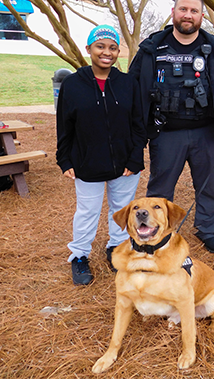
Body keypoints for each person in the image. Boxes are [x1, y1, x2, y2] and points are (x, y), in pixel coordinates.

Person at [128, 0, 214, 253]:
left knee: (209, 184)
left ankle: (208, 228)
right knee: (160, 189)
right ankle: (155, 234)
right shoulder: (151, 48)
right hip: (166, 132)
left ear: (202, 16)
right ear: (173, 12)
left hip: (207, 132)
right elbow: (132, 88)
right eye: (183, 9)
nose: (188, 15)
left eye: (194, 11)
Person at [56, 24, 147, 285]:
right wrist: (65, 159)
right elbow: (65, 126)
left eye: (112, 47)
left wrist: (134, 157)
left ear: (118, 51)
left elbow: (139, 124)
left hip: (125, 165)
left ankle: (117, 249)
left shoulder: (128, 83)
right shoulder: (73, 85)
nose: (106, 52)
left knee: (121, 211)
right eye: (100, 46)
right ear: (89, 49)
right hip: (87, 163)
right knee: (87, 212)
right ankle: (80, 256)